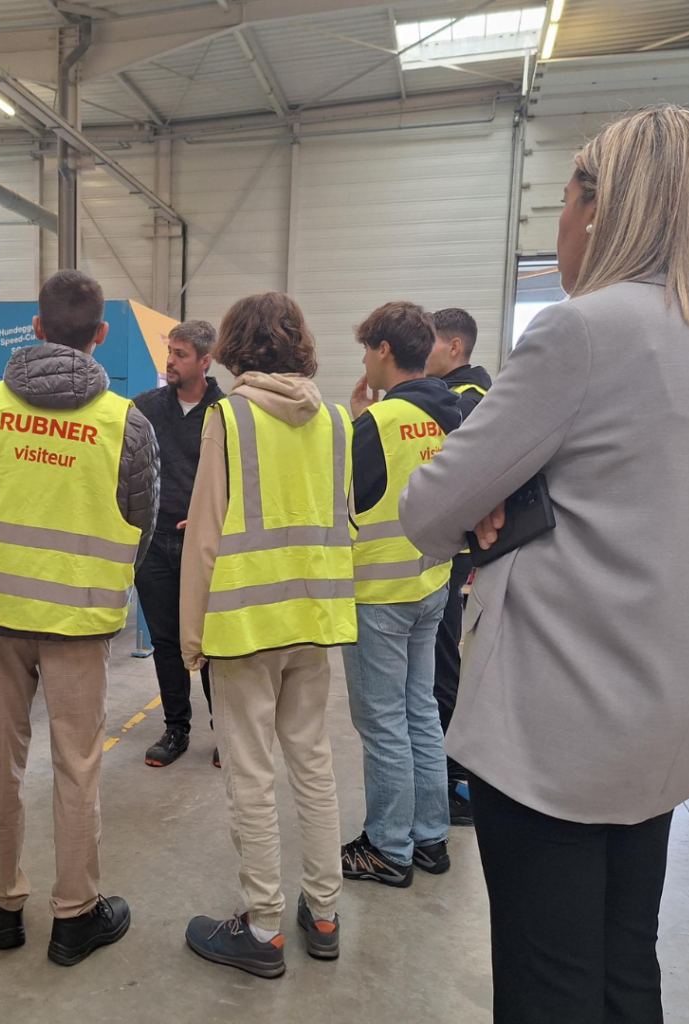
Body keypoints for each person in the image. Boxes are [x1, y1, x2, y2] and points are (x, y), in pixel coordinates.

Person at [401, 106, 689, 1024]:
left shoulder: (581, 331)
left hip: (564, 721)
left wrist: (490, 501)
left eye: (562, 200)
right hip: (665, 707)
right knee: (625, 960)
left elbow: (429, 510)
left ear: (595, 209)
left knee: (547, 979)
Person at [0, 270, 159, 967]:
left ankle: (3, 903)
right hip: (81, 620)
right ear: (99, 335)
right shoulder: (126, 421)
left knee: (0, 768)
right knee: (78, 767)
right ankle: (74, 916)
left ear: (36, 328)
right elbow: (145, 524)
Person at [179, 292, 354, 978]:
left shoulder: (229, 417)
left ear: (234, 347)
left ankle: (262, 927)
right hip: (314, 617)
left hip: (246, 622)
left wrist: (191, 636)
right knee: (313, 761)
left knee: (251, 772)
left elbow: (206, 536)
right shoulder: (337, 420)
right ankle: (325, 910)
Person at [341, 302, 461, 888]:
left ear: (384, 352)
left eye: (366, 349)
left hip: (378, 592)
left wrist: (360, 421)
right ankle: (430, 837)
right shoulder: (449, 415)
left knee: (383, 721)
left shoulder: (376, 426)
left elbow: (343, 506)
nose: (364, 359)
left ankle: (388, 846)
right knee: (419, 714)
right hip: (430, 584)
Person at [133, 320, 224, 767]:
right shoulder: (145, 408)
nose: (170, 361)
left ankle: (225, 731)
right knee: (165, 641)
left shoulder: (226, 412)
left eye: (181, 354)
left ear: (206, 361)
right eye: (169, 352)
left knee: (212, 644)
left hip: (203, 548)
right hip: (154, 544)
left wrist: (211, 521)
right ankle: (176, 728)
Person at [424, 307, 493, 827]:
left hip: (451, 558)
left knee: (443, 664)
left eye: (427, 343)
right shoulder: (475, 397)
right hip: (460, 555)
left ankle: (453, 785)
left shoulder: (462, 402)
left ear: (453, 348)